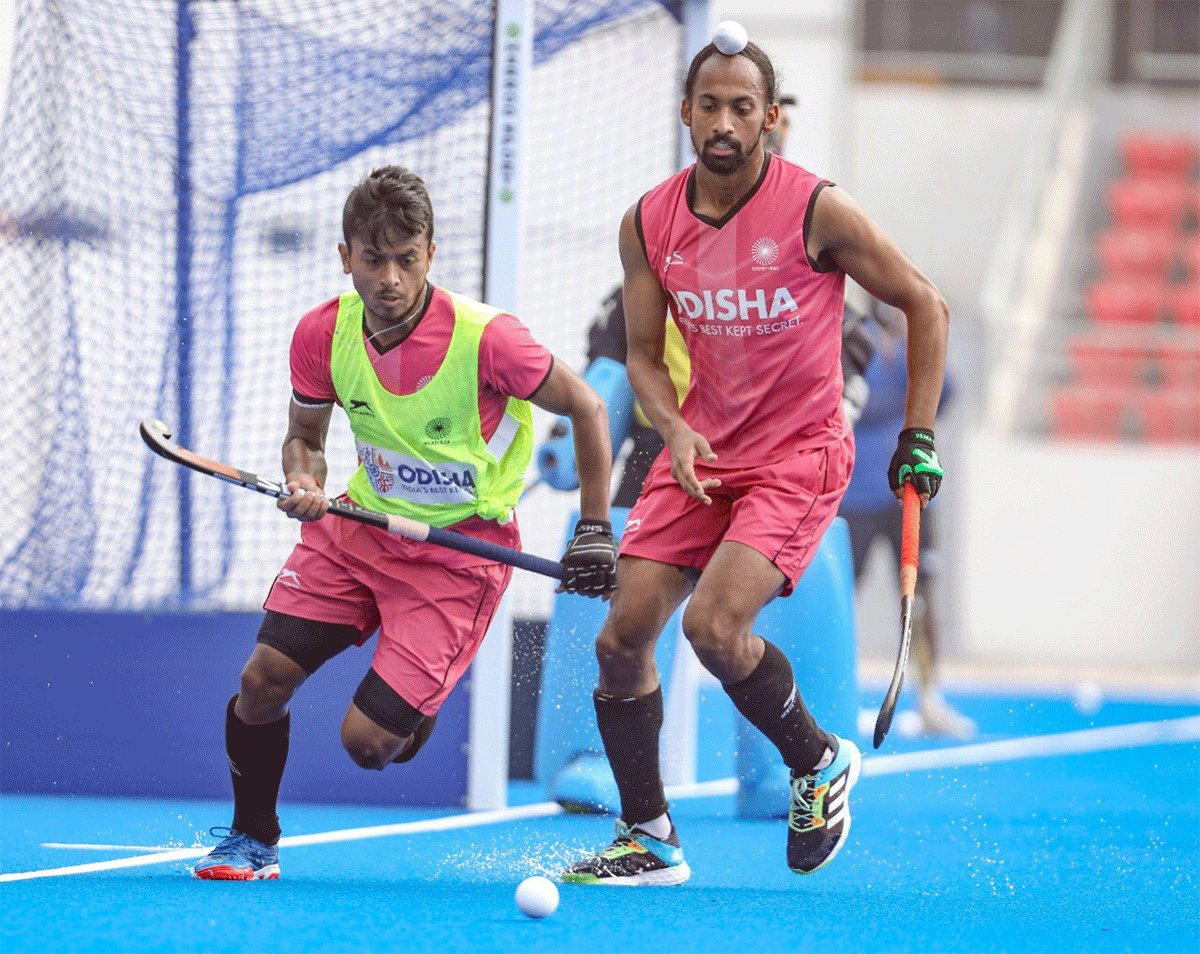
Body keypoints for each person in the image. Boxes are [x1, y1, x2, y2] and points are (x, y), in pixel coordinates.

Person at [562, 27, 948, 885]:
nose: (725, 122)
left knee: (712, 627)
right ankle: (649, 836)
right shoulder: (648, 221)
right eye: (711, 106)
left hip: (797, 457)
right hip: (701, 452)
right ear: (687, 113)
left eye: (744, 106)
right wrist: (673, 426)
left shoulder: (819, 210)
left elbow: (925, 304)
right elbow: (641, 358)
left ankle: (817, 760)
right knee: (622, 641)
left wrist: (918, 434)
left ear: (770, 118)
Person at [193, 165, 618, 881]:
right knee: (263, 677)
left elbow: (588, 407)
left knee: (368, 745)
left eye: (405, 258)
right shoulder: (323, 333)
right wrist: (305, 477)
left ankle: (411, 703)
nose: (389, 277)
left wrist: (596, 528)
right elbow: (305, 437)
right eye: (372, 257)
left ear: (429, 253)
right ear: (345, 255)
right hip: (358, 527)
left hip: (460, 553)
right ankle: (252, 837)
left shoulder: (489, 340)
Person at [840, 304, 975, 738]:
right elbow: (861, 398)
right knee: (842, 598)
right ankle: (834, 694)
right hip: (855, 495)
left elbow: (945, 391)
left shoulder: (912, 339)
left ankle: (930, 697)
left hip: (909, 496)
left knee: (921, 598)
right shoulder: (856, 339)